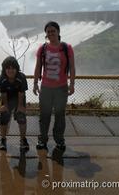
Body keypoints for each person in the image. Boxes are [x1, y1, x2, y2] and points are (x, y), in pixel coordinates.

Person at [33, 21, 75, 152]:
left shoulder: (67, 48)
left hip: (61, 88)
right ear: (46, 34)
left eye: (53, 31)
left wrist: (72, 84)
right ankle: (42, 140)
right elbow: (38, 67)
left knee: (59, 116)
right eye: (48, 32)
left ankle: (59, 141)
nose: (51, 33)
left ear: (58, 32)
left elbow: (72, 67)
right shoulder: (43, 49)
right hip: (45, 88)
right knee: (44, 116)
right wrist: (35, 83)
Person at [0, 56, 29, 151]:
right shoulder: (1, 79)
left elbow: (21, 93)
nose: (10, 70)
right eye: (8, 68)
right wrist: (5, 106)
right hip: (7, 98)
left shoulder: (21, 77)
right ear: (4, 69)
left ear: (17, 69)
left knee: (21, 116)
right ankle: (3, 140)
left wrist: (20, 107)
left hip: (19, 99)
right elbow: (3, 93)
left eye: (13, 68)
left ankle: (23, 139)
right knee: (4, 116)